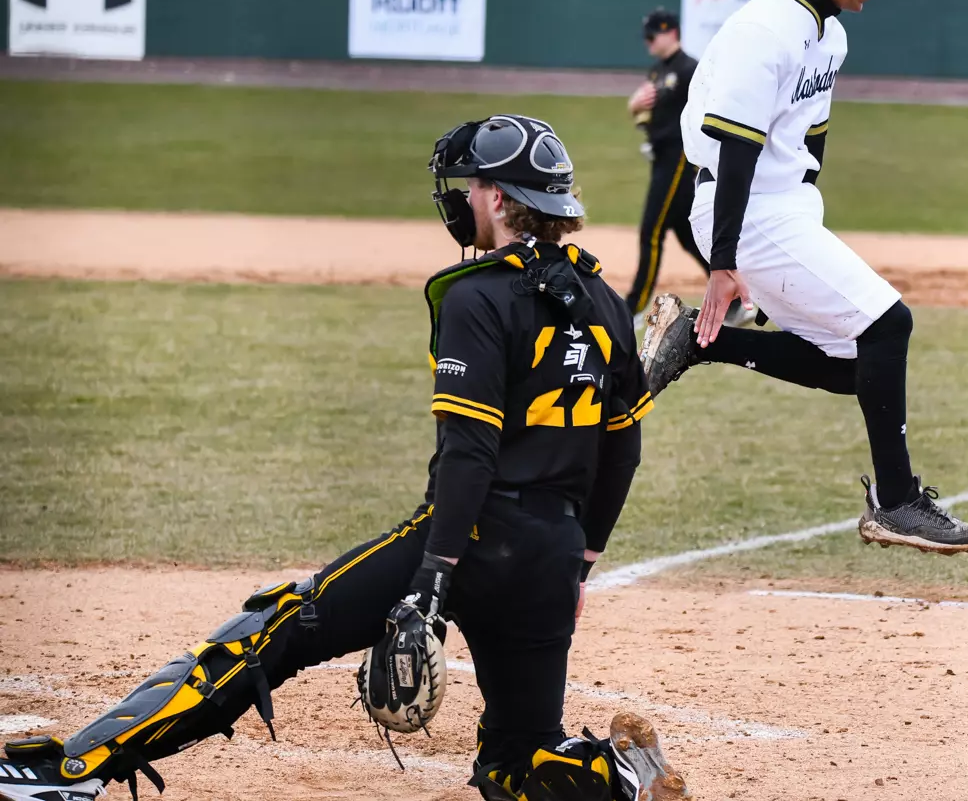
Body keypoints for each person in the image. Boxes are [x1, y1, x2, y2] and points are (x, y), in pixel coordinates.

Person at [0, 115, 689, 801]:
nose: (465, 198)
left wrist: (434, 574)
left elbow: (470, 453)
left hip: (468, 539)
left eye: (475, 185)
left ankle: (74, 769)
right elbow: (622, 451)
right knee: (515, 760)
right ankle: (617, 775)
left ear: (502, 199)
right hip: (549, 558)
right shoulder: (603, 300)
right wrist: (579, 563)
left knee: (271, 631)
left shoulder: (476, 295)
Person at [638, 0, 968, 555]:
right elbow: (735, 148)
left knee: (854, 363)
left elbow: (810, 139)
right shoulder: (765, 29)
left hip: (783, 209)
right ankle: (897, 502)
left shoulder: (828, 31)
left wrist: (801, 231)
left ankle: (702, 343)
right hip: (744, 208)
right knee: (889, 323)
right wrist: (724, 264)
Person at [624, 10, 711, 325]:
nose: (648, 44)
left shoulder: (689, 69)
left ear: (671, 32)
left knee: (652, 230)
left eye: (652, 37)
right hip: (661, 157)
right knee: (686, 233)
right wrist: (634, 107)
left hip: (679, 157)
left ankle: (633, 308)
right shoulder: (657, 72)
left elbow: (707, 110)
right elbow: (646, 117)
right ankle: (734, 298)